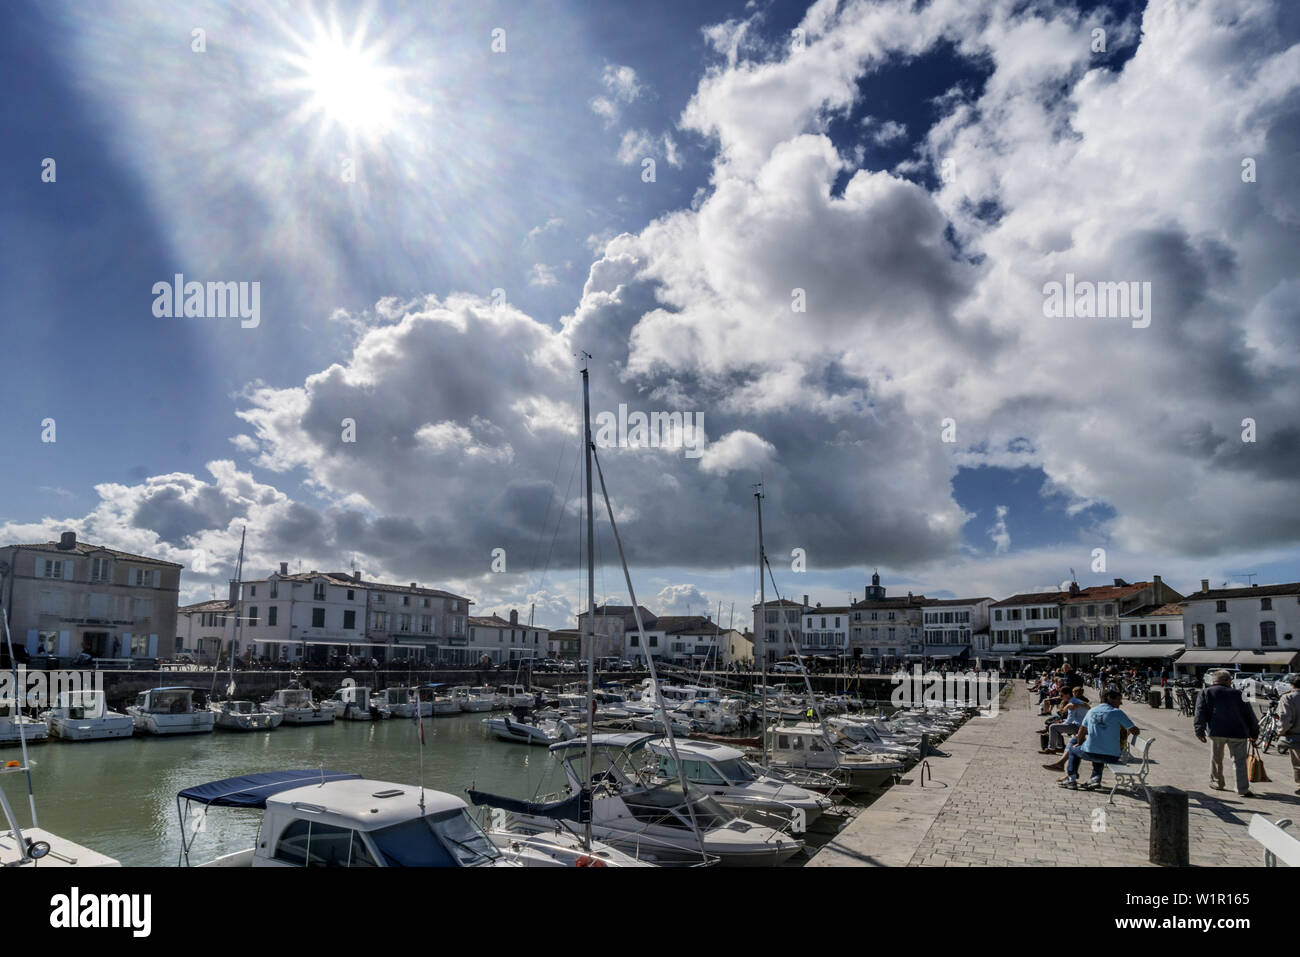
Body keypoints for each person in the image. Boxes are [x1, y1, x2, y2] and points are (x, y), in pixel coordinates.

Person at [1194, 669, 1260, 797]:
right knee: (1239, 761)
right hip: (1239, 732)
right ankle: (1242, 788)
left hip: (1216, 731)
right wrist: (1254, 733)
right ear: (1228, 681)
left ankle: (1217, 783)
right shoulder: (1240, 694)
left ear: (1214, 681)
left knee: (1216, 758)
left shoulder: (1206, 692)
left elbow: (1200, 713)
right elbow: (1250, 715)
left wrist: (1199, 731)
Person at [1056, 688, 1139, 789]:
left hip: (1091, 753)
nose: (1121, 702)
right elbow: (1135, 731)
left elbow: (1081, 730)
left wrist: (1079, 743)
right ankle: (1095, 778)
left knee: (1074, 749)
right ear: (1110, 699)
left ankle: (1071, 779)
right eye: (1119, 699)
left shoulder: (1092, 711)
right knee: (1098, 749)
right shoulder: (1117, 712)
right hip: (1112, 756)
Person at [1276, 673, 1300, 796]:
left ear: (1291, 685)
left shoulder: (1288, 698)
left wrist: (1280, 732)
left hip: (1295, 736)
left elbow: (1285, 719)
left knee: (1298, 763)